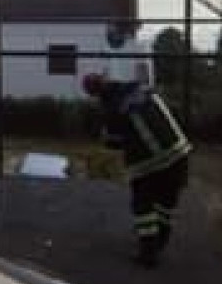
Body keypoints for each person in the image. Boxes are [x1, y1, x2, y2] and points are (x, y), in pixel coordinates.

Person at [82, 72, 192, 268]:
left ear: (95, 94)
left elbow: (113, 144)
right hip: (179, 151)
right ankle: (161, 239)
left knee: (143, 206)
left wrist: (104, 134)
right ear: (106, 79)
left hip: (149, 162)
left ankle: (148, 254)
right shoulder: (139, 86)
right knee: (166, 199)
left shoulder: (111, 110)